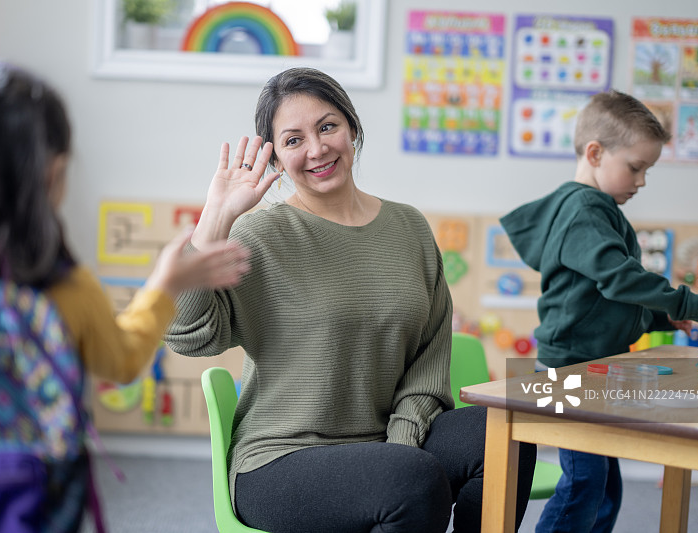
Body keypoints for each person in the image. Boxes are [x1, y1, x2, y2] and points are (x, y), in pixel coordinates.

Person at [165, 66, 536, 533]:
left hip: (387, 447)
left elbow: (428, 359)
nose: (317, 149)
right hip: (282, 458)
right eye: (293, 139)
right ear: (275, 158)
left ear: (352, 129)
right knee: (412, 481)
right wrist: (214, 221)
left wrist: (399, 443)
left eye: (327, 127)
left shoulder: (409, 228)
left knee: (504, 437)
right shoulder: (259, 234)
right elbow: (186, 336)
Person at [0, 59, 250, 530]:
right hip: (30, 502)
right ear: (53, 174)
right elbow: (121, 362)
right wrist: (165, 285)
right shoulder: (68, 290)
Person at [500, 89, 698, 533]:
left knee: (604, 484)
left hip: (588, 365)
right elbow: (620, 279)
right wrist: (687, 303)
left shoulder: (592, 209)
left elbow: (606, 297)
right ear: (596, 153)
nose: (640, 181)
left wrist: (664, 318)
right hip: (567, 368)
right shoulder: (585, 210)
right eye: (636, 167)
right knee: (586, 480)